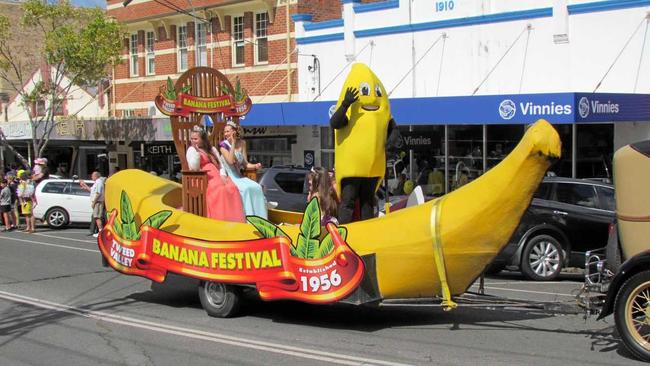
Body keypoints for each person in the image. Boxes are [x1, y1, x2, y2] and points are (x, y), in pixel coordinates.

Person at [187, 125, 245, 222]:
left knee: (232, 188)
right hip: (204, 177)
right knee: (220, 190)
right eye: (192, 139)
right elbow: (193, 167)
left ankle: (233, 218)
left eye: (196, 139)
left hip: (217, 173)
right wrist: (197, 153)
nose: (193, 141)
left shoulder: (212, 149)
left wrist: (223, 174)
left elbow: (220, 164)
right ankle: (220, 218)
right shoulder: (191, 150)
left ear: (202, 139)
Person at [220, 120, 267, 219]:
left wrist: (255, 166)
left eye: (228, 131)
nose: (226, 134)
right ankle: (248, 218)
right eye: (225, 132)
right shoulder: (223, 146)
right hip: (229, 176)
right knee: (246, 189)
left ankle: (260, 218)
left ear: (234, 131)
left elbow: (245, 164)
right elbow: (231, 161)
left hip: (239, 176)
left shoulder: (242, 143)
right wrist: (232, 143)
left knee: (257, 187)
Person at [80, 171, 105, 238]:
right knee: (96, 217)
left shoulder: (99, 182)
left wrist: (94, 203)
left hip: (98, 202)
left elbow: (98, 193)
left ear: (96, 176)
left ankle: (100, 232)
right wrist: (84, 185)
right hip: (96, 202)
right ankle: (100, 231)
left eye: (92, 176)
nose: (91, 177)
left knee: (97, 217)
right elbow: (91, 190)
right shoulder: (96, 183)